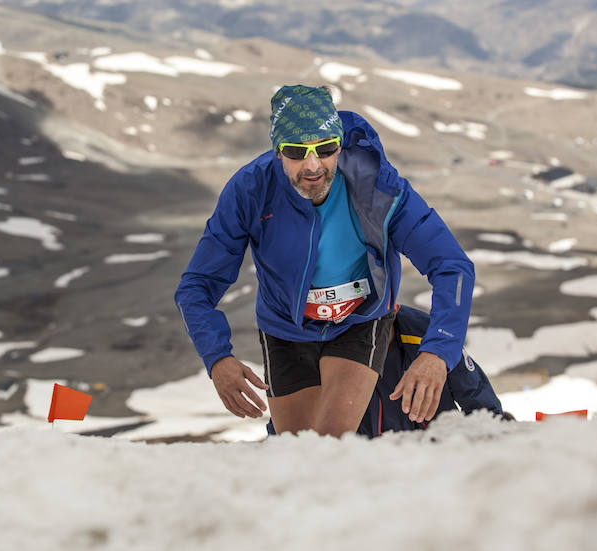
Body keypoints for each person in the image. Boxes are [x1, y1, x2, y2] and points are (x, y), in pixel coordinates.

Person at [175, 85, 475, 437]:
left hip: (360, 319)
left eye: (326, 149)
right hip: (286, 328)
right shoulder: (249, 190)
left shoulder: (378, 185)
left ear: (340, 144)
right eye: (296, 152)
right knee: (297, 450)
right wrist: (218, 359)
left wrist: (438, 353)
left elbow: (452, 265)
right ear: (277, 152)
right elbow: (197, 285)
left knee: (330, 441)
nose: (313, 165)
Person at [267, 304, 507, 437]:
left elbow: (482, 406)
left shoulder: (429, 337)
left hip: (437, 464)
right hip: (367, 473)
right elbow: (287, 427)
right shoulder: (323, 351)